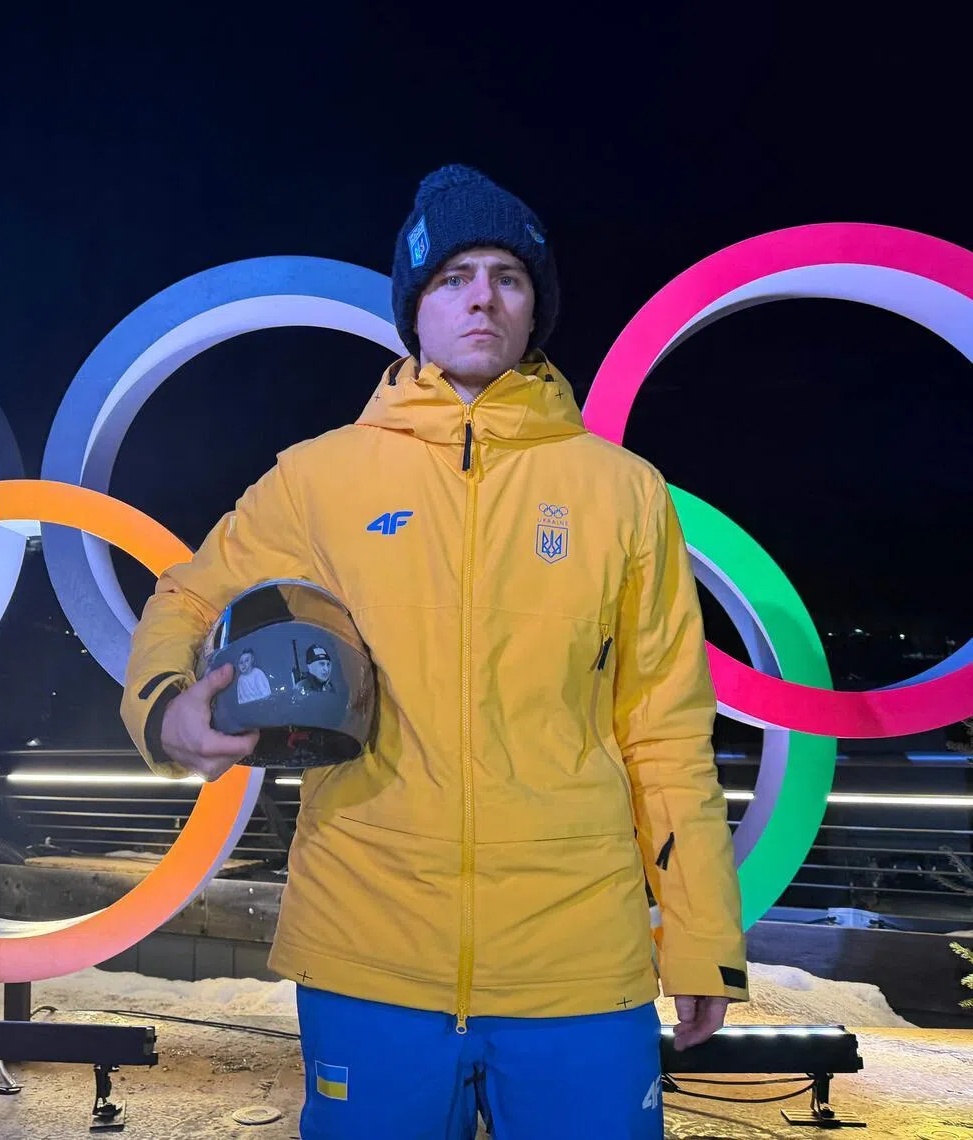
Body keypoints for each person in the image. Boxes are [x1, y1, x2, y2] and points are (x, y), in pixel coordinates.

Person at [121, 164, 748, 1139]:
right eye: (455, 275)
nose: (482, 295)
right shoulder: (319, 476)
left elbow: (666, 731)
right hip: (367, 951)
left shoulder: (623, 491)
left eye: (507, 274)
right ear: (415, 303)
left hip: (578, 961)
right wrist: (167, 705)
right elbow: (186, 595)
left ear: (535, 304)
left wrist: (701, 938)